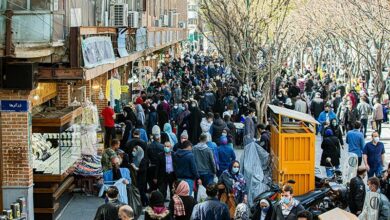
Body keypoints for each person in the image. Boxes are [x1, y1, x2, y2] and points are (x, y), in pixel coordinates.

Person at [147, 127, 165, 192]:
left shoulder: (149, 146)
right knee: (160, 185)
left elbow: (147, 157)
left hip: (151, 167)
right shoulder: (162, 146)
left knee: (152, 185)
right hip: (160, 168)